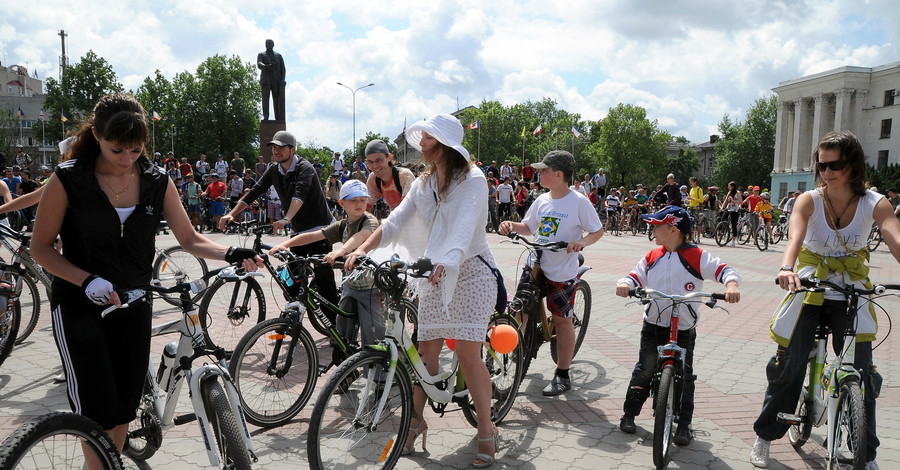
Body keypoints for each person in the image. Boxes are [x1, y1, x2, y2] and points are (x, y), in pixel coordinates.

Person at [29, 93, 261, 468]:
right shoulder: (69, 179)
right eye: (117, 150)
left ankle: (109, 464)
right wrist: (86, 280)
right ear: (97, 136)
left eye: (136, 150)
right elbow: (40, 248)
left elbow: (189, 239)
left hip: (134, 301)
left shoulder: (157, 180)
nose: (127, 159)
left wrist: (231, 252)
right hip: (79, 304)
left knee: (123, 406)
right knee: (96, 407)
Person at [345, 114, 500, 467]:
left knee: (465, 351)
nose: (422, 142)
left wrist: (448, 260)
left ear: (446, 143)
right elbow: (395, 221)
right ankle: (414, 424)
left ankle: (487, 430)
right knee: (424, 350)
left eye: (429, 137)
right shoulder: (424, 183)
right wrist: (362, 249)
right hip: (434, 271)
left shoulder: (473, 180)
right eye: (424, 136)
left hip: (471, 270)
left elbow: (464, 228)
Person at [750, 131, 900, 469]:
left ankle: (866, 452)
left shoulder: (875, 202)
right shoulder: (809, 200)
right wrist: (787, 268)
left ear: (853, 165)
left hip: (851, 292)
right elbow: (795, 234)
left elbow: (895, 238)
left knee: (861, 375)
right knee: (789, 367)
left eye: (835, 164)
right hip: (808, 287)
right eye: (821, 165)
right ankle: (765, 436)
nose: (826, 172)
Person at [615, 205, 741, 445]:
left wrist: (731, 285)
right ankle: (630, 413)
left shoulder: (697, 256)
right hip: (654, 324)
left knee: (685, 375)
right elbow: (634, 276)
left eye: (657, 226)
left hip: (683, 327)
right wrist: (625, 283)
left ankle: (684, 424)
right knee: (645, 367)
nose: (652, 229)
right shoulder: (653, 256)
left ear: (673, 230)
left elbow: (725, 270)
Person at [499, 150, 604, 397]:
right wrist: (510, 226)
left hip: (561, 270)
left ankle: (562, 374)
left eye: (544, 170)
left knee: (562, 320)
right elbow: (528, 227)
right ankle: (514, 353)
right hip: (536, 262)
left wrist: (581, 243)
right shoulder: (542, 199)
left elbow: (596, 231)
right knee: (518, 310)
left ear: (558, 174)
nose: (539, 173)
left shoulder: (578, 201)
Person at [221, 131, 338, 308]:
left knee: (324, 278)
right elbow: (255, 191)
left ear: (293, 149)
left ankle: (335, 325)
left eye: (281, 148)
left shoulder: (305, 168)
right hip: (298, 232)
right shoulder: (274, 169)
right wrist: (232, 213)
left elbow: (300, 196)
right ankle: (300, 308)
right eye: (274, 147)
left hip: (318, 230)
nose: (276, 151)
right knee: (290, 278)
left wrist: (286, 218)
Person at [269, 179, 383, 345]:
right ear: (341, 203)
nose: (359, 204)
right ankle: (348, 366)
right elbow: (315, 235)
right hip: (350, 285)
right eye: (353, 200)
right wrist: (285, 244)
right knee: (341, 333)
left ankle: (379, 366)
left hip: (370, 287)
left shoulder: (369, 220)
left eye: (362, 200)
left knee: (373, 336)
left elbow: (362, 236)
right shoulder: (343, 225)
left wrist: (340, 251)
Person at [364, 139, 415, 211]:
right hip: (395, 219)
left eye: (378, 160)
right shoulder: (374, 178)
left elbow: (408, 208)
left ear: (389, 157)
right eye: (370, 162)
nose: (375, 166)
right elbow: (365, 205)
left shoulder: (404, 175)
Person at [257, 39, 286, 121]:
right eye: (266, 43)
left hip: (276, 81)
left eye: (269, 43)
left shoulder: (278, 56)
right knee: (265, 99)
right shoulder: (261, 54)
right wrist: (267, 66)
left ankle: (278, 117)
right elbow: (259, 64)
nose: (267, 44)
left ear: (273, 45)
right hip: (266, 81)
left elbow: (283, 69)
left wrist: (283, 79)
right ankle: (266, 116)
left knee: (276, 99)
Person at [720, 181, 742, 246]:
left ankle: (733, 240)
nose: (728, 187)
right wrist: (722, 207)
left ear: (732, 187)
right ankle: (724, 230)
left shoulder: (737, 193)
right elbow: (726, 200)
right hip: (728, 208)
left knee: (733, 224)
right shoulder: (729, 192)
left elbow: (741, 202)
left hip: (735, 209)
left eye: (729, 186)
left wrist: (734, 201)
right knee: (723, 218)